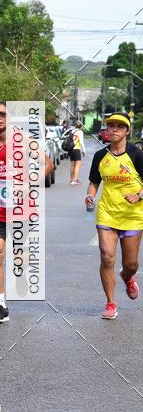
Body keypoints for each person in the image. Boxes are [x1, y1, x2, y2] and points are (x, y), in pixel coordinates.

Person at [0, 101, 54, 324]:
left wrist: (29, 183)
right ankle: (1, 306)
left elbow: (47, 164)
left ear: (7, 117)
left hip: (22, 208)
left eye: (2, 114)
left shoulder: (23, 140)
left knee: (20, 259)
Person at [86, 112, 143, 320]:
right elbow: (94, 183)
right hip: (107, 214)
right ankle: (110, 303)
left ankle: (127, 277)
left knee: (131, 264)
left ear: (127, 131)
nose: (115, 129)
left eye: (120, 126)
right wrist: (90, 196)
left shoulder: (136, 155)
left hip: (133, 215)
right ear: (107, 130)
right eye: (111, 126)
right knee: (107, 256)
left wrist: (138, 195)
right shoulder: (100, 156)